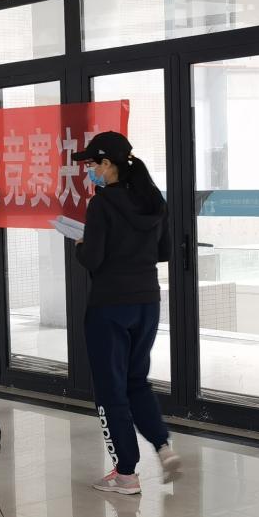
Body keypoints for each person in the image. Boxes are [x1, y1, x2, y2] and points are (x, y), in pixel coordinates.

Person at [72, 131, 180, 495]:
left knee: (110, 391)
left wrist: (81, 245)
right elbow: (164, 251)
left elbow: (93, 259)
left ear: (108, 164)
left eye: (92, 164)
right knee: (136, 381)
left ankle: (126, 474)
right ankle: (163, 446)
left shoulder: (102, 204)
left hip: (109, 306)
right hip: (147, 302)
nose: (89, 170)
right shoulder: (153, 200)